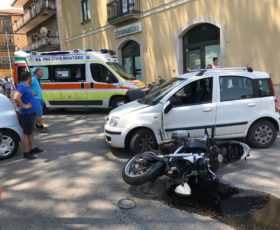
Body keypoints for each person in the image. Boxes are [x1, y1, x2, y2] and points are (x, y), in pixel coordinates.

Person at [13, 72, 44, 160]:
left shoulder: (25, 86)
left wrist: (32, 94)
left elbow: (25, 95)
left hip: (30, 113)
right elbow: (16, 97)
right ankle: (26, 152)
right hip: (27, 114)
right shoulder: (22, 86)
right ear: (29, 78)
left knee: (29, 132)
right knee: (26, 133)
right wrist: (24, 106)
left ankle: (33, 148)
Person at [31, 68, 48, 132]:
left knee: (37, 114)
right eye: (41, 72)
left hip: (39, 98)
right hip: (36, 99)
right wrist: (32, 93)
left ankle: (37, 126)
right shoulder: (33, 79)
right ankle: (41, 127)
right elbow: (27, 87)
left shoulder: (37, 79)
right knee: (39, 114)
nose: (42, 74)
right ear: (37, 72)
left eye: (42, 72)